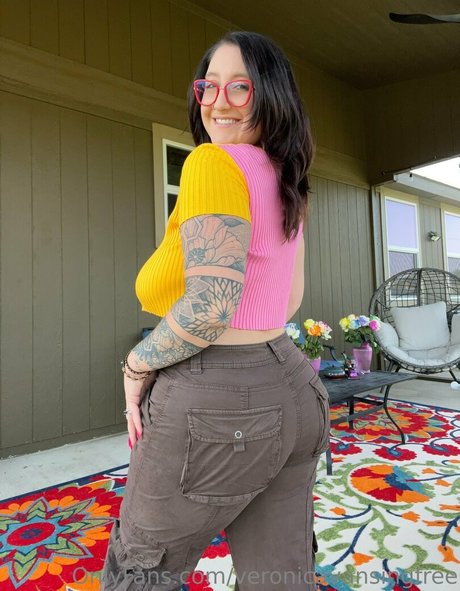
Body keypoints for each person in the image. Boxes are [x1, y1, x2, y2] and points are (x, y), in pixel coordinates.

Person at [101, 31, 329, 591]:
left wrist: (136, 365)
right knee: (280, 575)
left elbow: (209, 306)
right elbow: (289, 299)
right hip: (294, 387)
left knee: (141, 569)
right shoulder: (285, 177)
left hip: (217, 399)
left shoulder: (210, 163)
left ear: (270, 95)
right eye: (208, 86)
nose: (217, 101)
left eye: (240, 87)